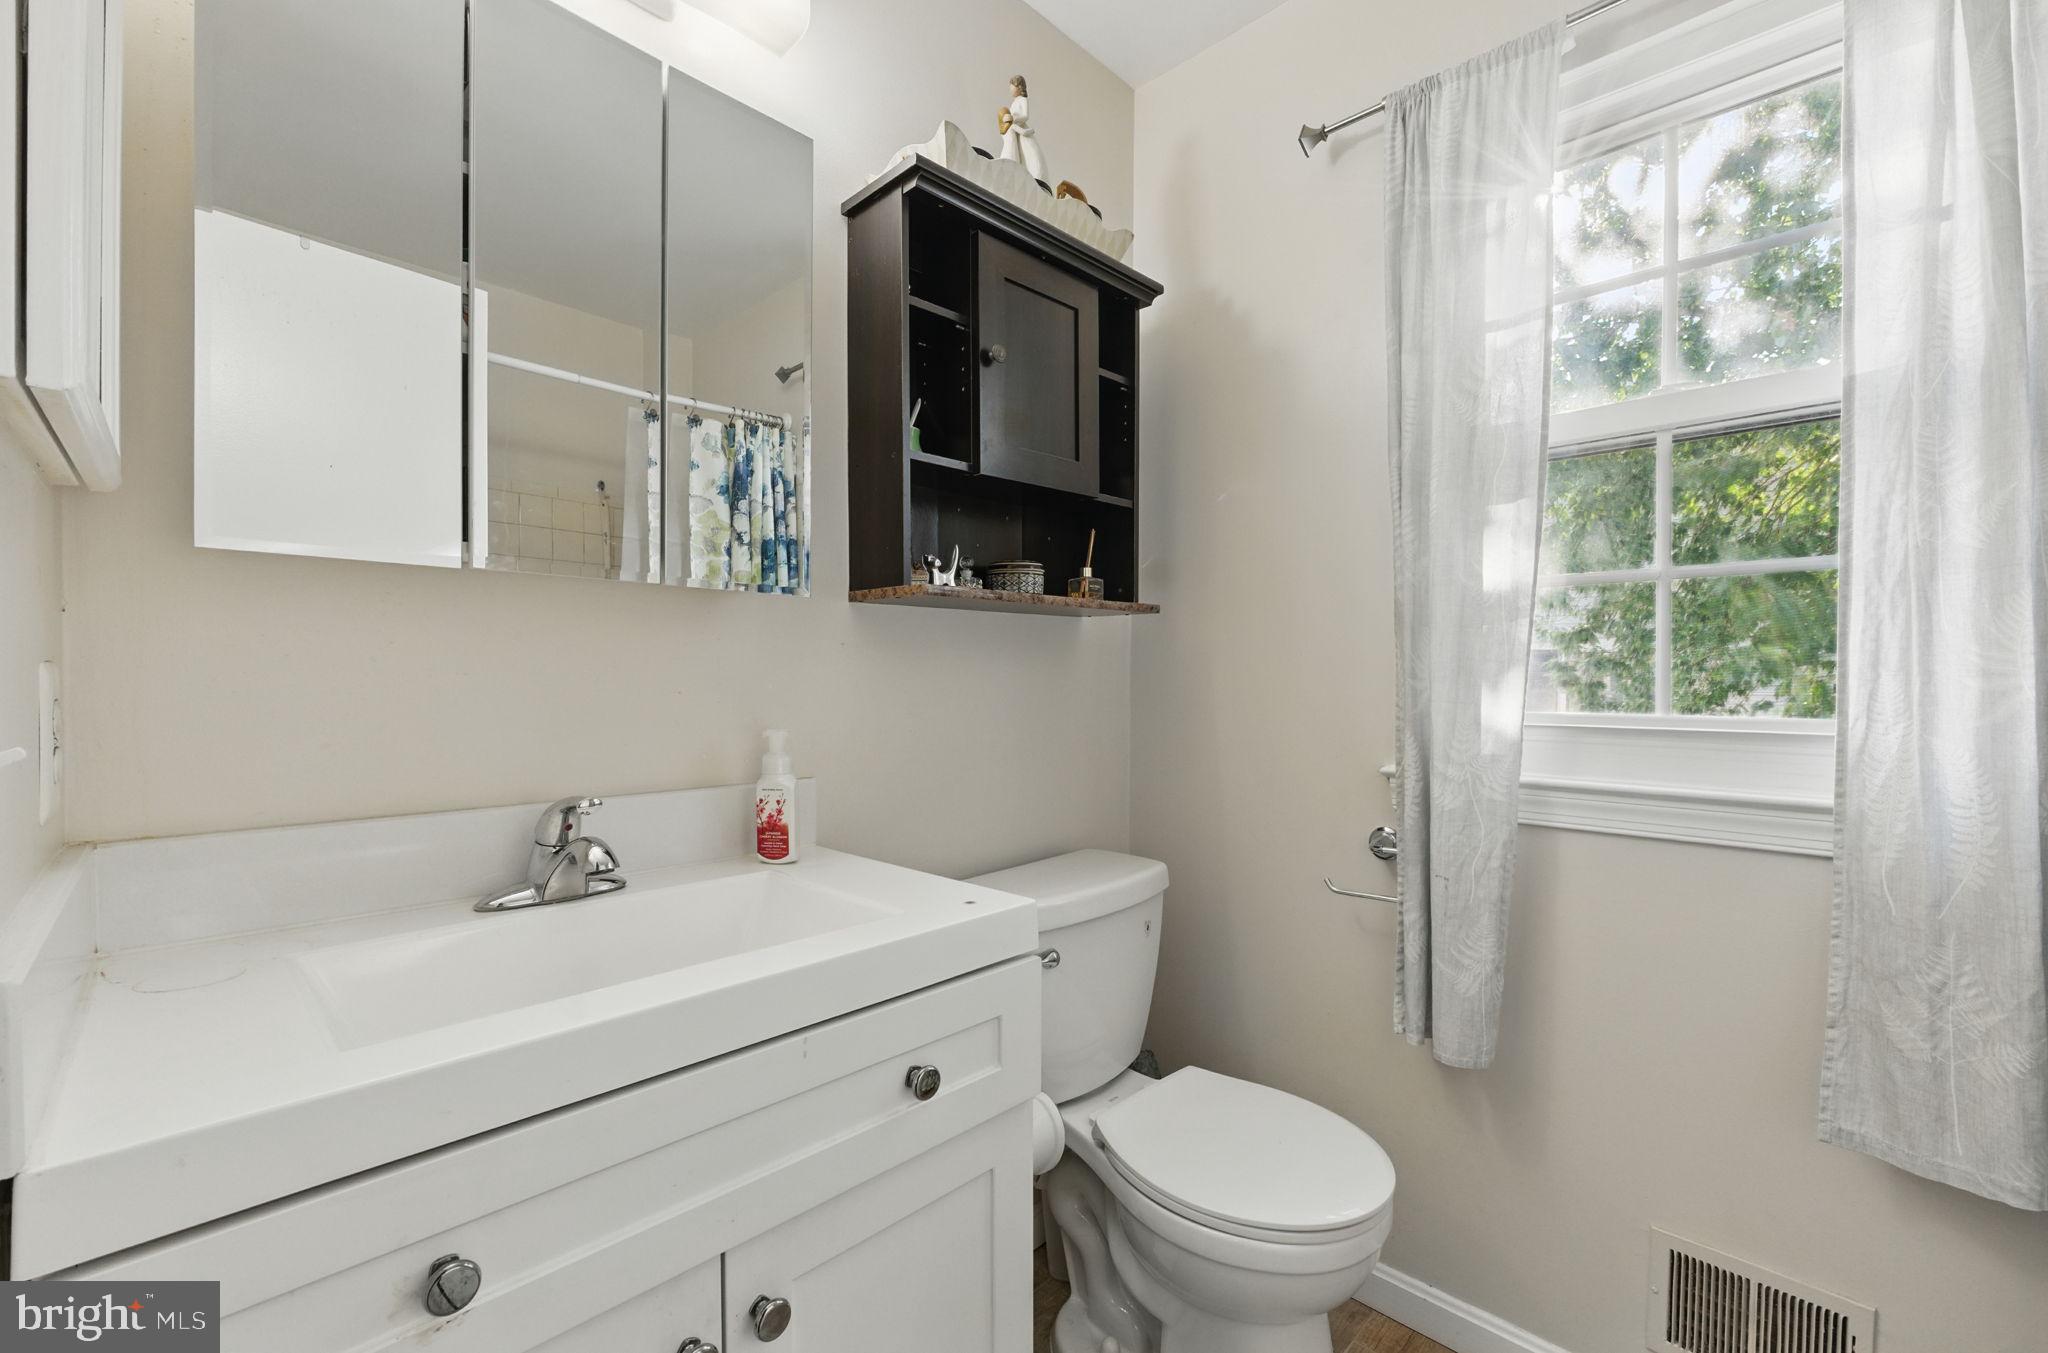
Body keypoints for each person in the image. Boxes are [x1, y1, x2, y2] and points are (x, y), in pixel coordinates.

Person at [998, 74, 1048, 183]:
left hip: (1020, 129)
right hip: (1015, 130)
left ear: (1019, 87)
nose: (1010, 90)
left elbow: (1025, 116)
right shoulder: (1014, 102)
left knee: (1029, 154)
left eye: (1012, 87)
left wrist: (1013, 118)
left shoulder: (1023, 100)